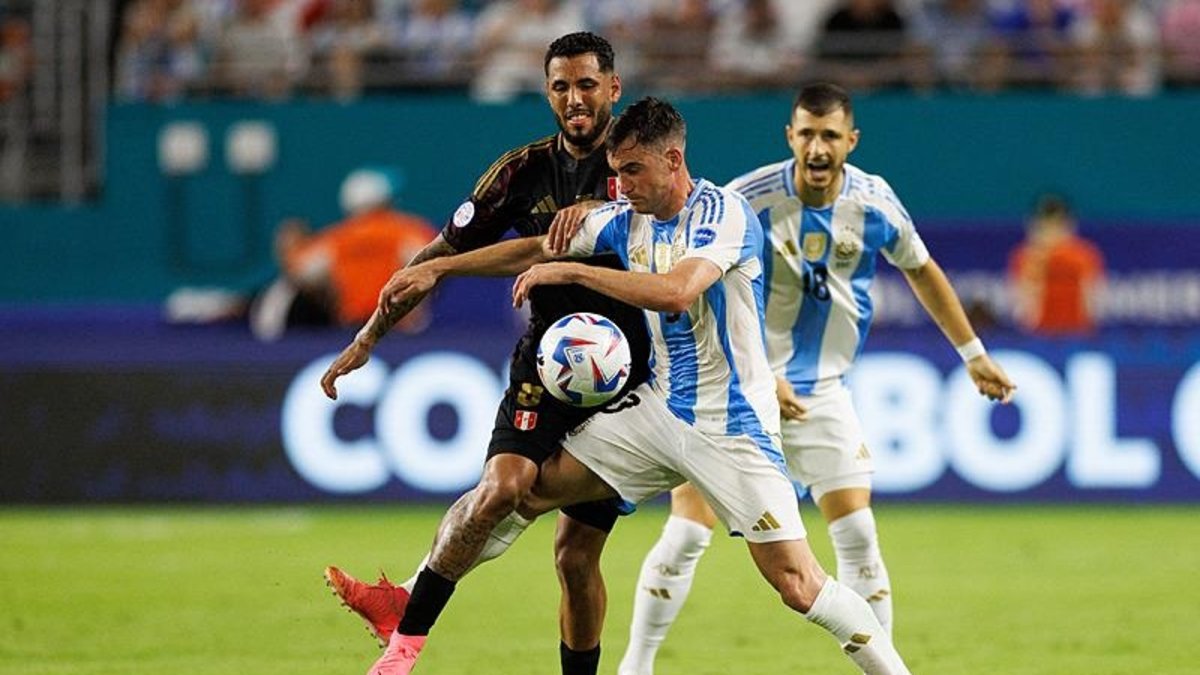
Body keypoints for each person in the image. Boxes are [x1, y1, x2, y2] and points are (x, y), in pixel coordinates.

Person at [333, 95, 913, 675]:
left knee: (798, 583)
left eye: (632, 171)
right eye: (615, 172)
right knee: (522, 492)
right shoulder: (626, 218)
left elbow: (678, 291)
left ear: (673, 160)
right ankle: (409, 611)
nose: (620, 185)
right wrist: (439, 268)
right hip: (657, 412)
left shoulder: (723, 214)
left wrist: (573, 270)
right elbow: (539, 247)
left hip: (730, 425)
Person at [616, 83, 1018, 675]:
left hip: (823, 394)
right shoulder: (743, 199)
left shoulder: (876, 203)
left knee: (858, 538)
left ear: (850, 141)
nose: (818, 146)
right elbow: (690, 287)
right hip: (738, 395)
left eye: (830, 135)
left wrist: (973, 352)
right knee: (685, 536)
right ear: (790, 137)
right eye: (806, 133)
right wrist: (758, 373)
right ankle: (637, 666)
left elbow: (922, 269)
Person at [320, 31, 652, 675]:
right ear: (547, 93)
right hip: (547, 364)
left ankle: (407, 601)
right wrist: (366, 340)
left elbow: (547, 250)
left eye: (587, 85)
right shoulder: (521, 172)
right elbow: (433, 256)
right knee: (503, 485)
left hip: (627, 377)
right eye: (561, 87)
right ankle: (405, 632)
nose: (575, 99)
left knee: (575, 559)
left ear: (613, 88)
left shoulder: (633, 167)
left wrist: (448, 272)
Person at [262, 168, 438, 336]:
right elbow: (437, 260)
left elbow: (300, 270)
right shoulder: (407, 230)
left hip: (354, 329)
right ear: (383, 201)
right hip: (401, 326)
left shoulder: (338, 239)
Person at [1008, 193, 1105, 336]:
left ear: (1068, 224)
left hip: (1077, 335)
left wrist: (1088, 332)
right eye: (1046, 223)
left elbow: (1091, 301)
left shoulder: (1083, 255)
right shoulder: (1026, 257)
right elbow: (1024, 307)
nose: (1051, 230)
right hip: (1038, 336)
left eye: (1056, 223)